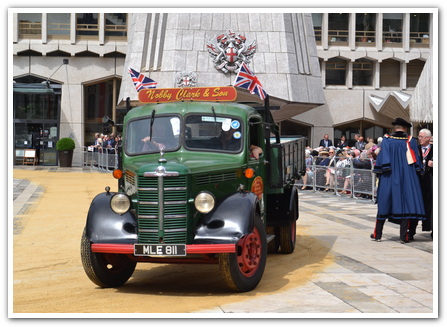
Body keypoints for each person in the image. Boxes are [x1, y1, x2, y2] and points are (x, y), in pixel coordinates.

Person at [370, 118, 426, 244]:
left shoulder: (386, 140)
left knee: (384, 202)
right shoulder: (410, 140)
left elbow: (382, 159)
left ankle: (378, 235)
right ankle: (403, 237)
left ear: (395, 128)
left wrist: (381, 173)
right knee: (406, 203)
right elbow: (416, 161)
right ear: (405, 128)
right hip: (407, 176)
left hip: (389, 175)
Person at [409, 128, 433, 239]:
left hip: (431, 182)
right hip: (418, 181)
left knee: (431, 206)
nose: (419, 139)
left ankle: (434, 229)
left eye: (422, 137)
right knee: (416, 205)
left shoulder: (435, 150)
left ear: (428, 138)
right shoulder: (416, 149)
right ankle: (411, 230)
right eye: (418, 136)